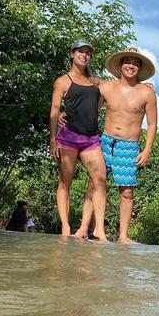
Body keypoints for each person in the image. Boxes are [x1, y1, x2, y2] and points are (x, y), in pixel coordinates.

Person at [73, 46, 157, 243]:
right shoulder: (106, 87)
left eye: (136, 63)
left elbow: (152, 124)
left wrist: (147, 150)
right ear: (120, 65)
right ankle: (84, 228)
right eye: (128, 62)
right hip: (104, 141)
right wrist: (62, 114)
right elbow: (84, 99)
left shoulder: (147, 93)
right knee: (93, 184)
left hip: (129, 146)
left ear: (140, 68)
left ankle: (123, 236)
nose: (131, 65)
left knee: (127, 192)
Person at [49, 40, 108, 241]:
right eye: (80, 51)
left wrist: (145, 86)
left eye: (88, 52)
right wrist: (52, 139)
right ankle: (65, 227)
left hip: (91, 138)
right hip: (68, 137)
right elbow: (54, 111)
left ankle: (98, 229)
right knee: (65, 182)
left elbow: (119, 87)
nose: (84, 55)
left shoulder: (97, 82)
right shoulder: (62, 81)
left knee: (100, 178)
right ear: (72, 54)